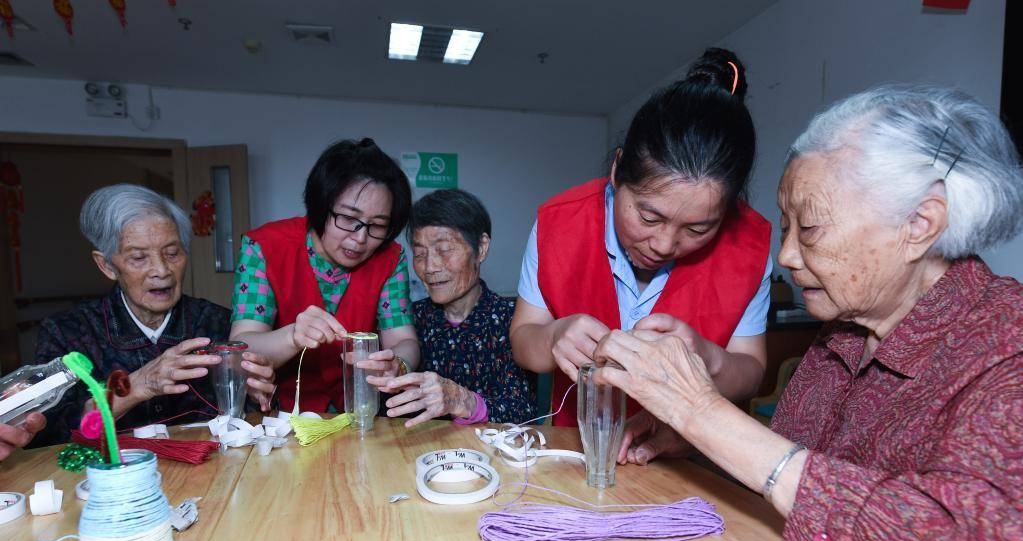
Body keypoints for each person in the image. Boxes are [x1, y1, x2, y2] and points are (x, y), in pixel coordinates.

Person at [594, 85, 1023, 541]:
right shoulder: (841, 331)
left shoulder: (1007, 345)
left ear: (920, 225)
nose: (787, 255)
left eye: (811, 229)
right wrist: (700, 442)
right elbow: (798, 473)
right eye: (787, 226)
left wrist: (702, 412)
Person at [511, 47, 772, 426]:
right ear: (618, 171)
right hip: (580, 449)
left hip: (694, 458)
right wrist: (553, 338)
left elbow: (750, 372)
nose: (664, 245)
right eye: (649, 216)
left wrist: (709, 358)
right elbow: (523, 341)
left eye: (699, 229)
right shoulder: (559, 223)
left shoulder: (749, 245)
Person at [33, 184, 276, 446]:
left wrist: (255, 393)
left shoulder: (218, 323)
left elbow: (260, 421)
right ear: (106, 265)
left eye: (172, 253)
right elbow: (49, 433)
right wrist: (137, 386)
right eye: (139, 257)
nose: (161, 270)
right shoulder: (68, 333)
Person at [230, 139, 419, 413]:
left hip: (359, 412)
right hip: (282, 417)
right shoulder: (265, 247)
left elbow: (405, 341)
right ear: (321, 204)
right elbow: (242, 345)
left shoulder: (390, 258)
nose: (360, 238)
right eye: (347, 219)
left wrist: (397, 364)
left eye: (377, 226)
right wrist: (293, 335)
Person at [372, 189, 535, 427]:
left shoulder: (513, 321)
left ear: (481, 248)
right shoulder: (409, 323)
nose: (430, 266)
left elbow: (525, 411)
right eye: (419, 253)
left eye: (444, 250)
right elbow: (385, 410)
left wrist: (465, 402)